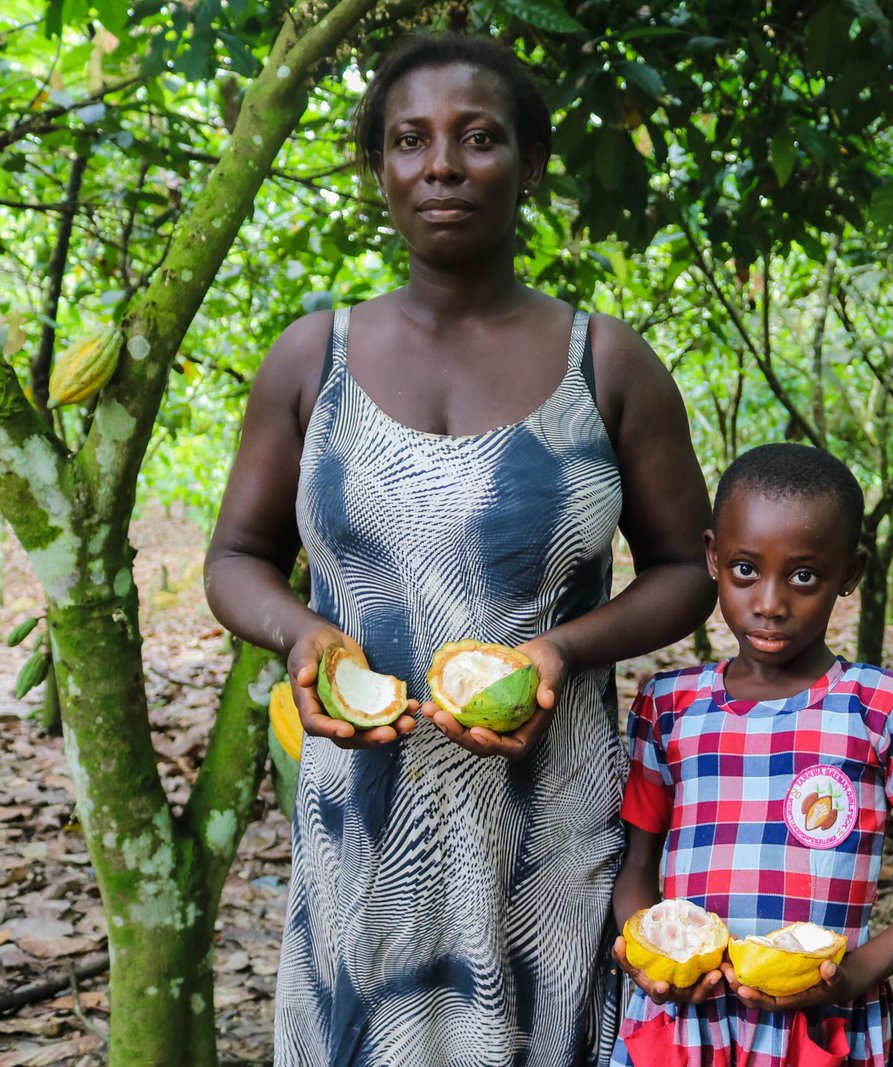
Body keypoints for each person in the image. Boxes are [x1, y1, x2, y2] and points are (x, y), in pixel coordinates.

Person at [203, 33, 715, 1067]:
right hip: (362, 830)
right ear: (379, 169)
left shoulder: (606, 363)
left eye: (478, 138)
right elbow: (235, 558)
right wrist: (301, 634)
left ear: (529, 168)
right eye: (410, 140)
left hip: (548, 828)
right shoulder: (310, 361)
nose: (441, 165)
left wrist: (562, 650)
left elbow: (686, 569)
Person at [609, 444, 893, 1067]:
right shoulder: (669, 707)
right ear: (712, 558)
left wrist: (854, 974)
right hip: (685, 1029)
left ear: (851, 573)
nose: (770, 603)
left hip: (821, 1032)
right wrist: (649, 954)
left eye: (804, 576)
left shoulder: (887, 709)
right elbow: (637, 867)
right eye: (745, 570)